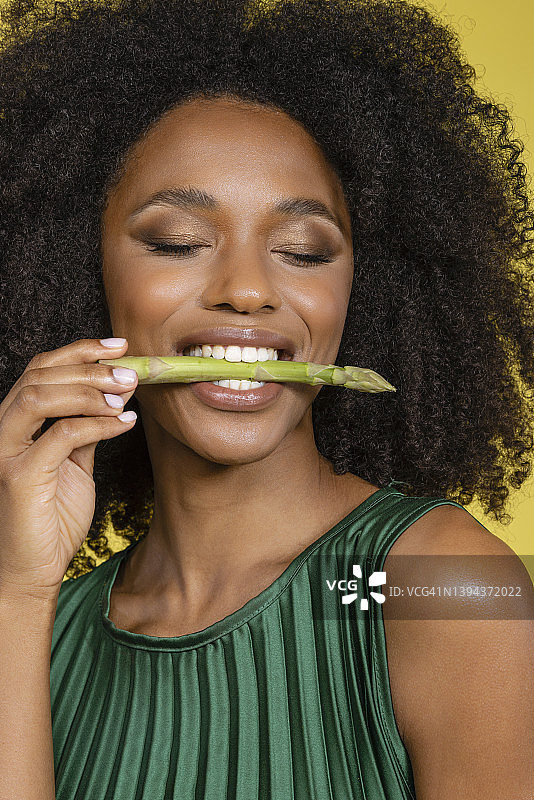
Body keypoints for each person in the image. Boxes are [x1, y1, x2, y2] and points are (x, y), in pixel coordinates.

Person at [0, 0, 533, 797]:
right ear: (83, 272)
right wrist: (16, 590)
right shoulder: (41, 619)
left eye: (302, 251)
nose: (247, 290)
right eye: (177, 242)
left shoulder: (441, 584)